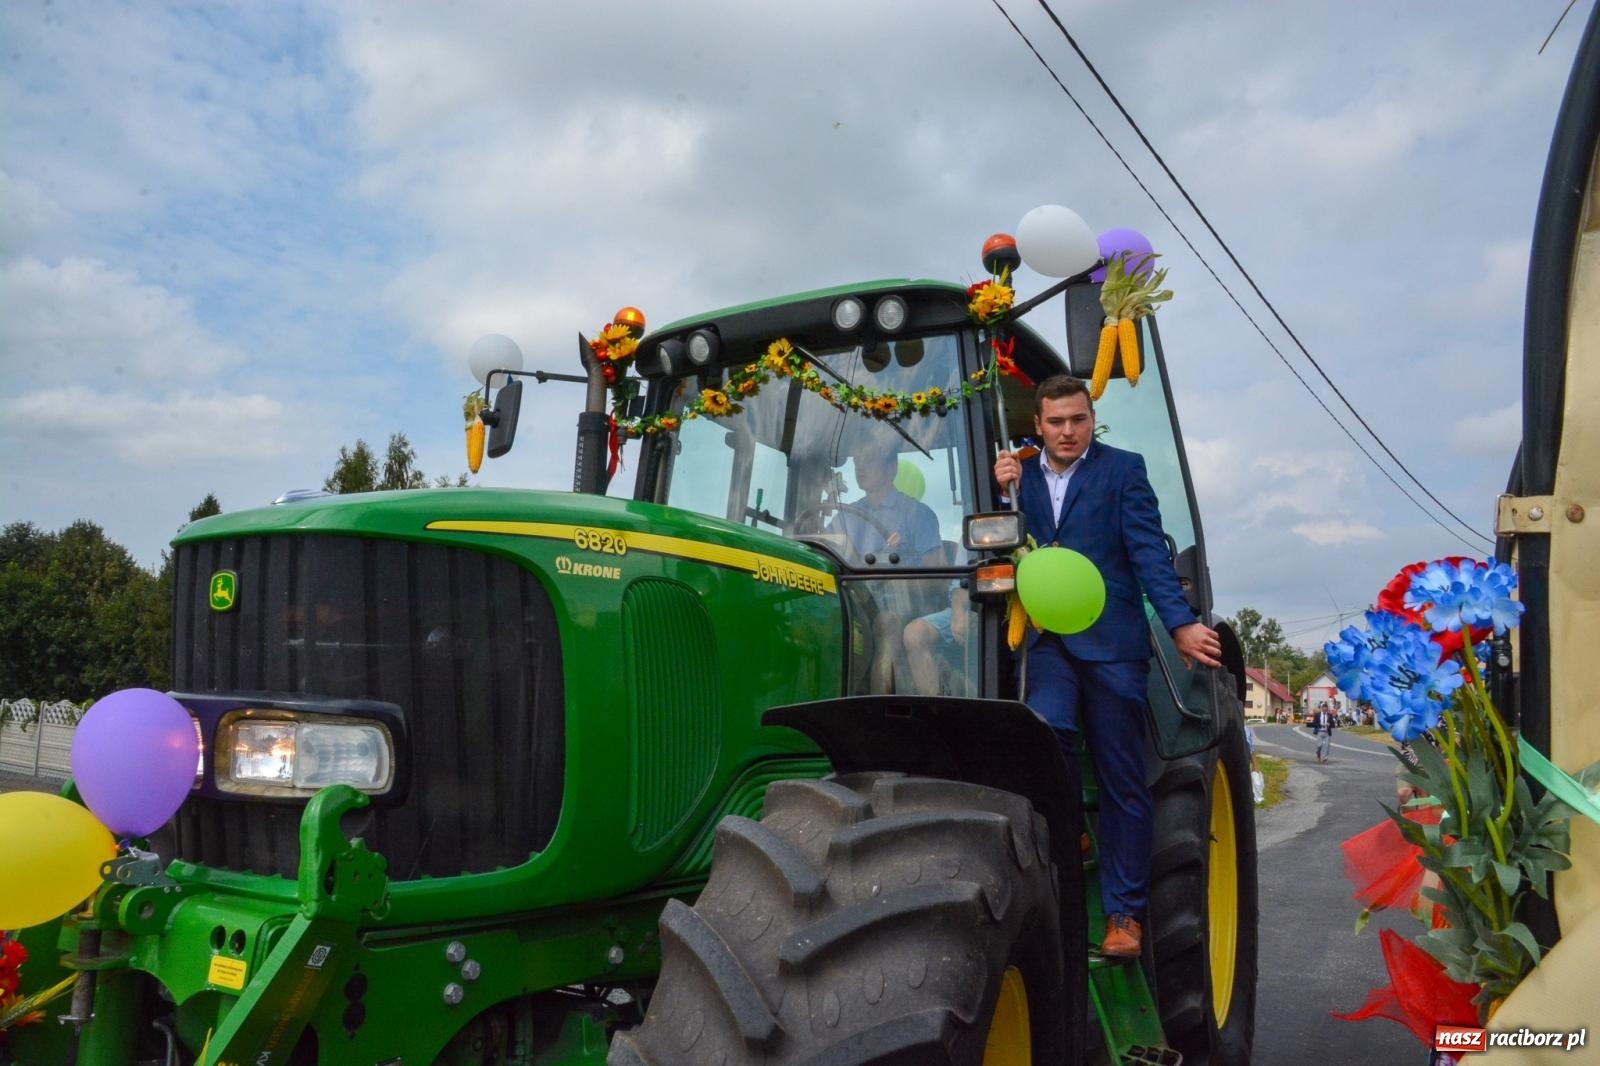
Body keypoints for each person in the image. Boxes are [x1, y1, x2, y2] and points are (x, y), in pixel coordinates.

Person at [993, 374, 1221, 960]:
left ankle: (1124, 915)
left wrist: (1180, 623)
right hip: (1048, 641)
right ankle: (1071, 830)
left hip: (1114, 642)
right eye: (1056, 422)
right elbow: (1001, 545)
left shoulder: (1124, 470)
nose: (1068, 431)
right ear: (1038, 425)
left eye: (1078, 419)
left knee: (1124, 779)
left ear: (1091, 419)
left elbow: (1147, 551)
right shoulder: (1018, 475)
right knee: (1047, 734)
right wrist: (1001, 496)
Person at [828, 440, 945, 691]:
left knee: (887, 622)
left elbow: (936, 574)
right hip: (853, 601)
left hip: (905, 604)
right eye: (857, 462)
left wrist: (898, 579)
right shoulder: (846, 515)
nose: (860, 468)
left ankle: (878, 710)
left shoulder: (917, 514)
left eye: (869, 460)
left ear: (892, 468)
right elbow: (827, 551)